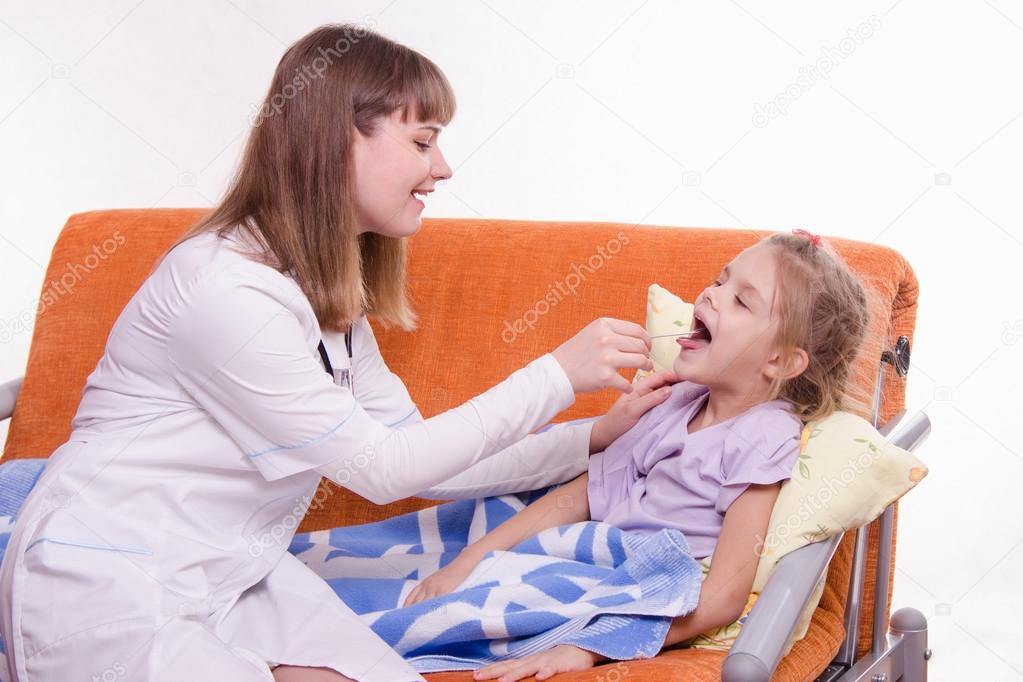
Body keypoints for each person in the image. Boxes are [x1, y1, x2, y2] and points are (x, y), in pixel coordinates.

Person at [0, 24, 673, 682]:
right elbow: (381, 469)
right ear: (340, 140)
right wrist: (555, 375)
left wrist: (594, 437)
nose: (441, 167)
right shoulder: (224, 289)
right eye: (422, 141)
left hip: (232, 572)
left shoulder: (324, 304)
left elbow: (418, 460)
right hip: (109, 580)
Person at [401, 229, 873, 682]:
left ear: (780, 362)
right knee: (458, 531)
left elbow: (726, 593)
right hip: (585, 549)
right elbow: (582, 494)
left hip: (635, 579)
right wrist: (469, 561)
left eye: (741, 300)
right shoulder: (675, 399)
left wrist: (589, 644)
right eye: (719, 280)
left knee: (429, 620)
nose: (710, 295)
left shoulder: (762, 437)